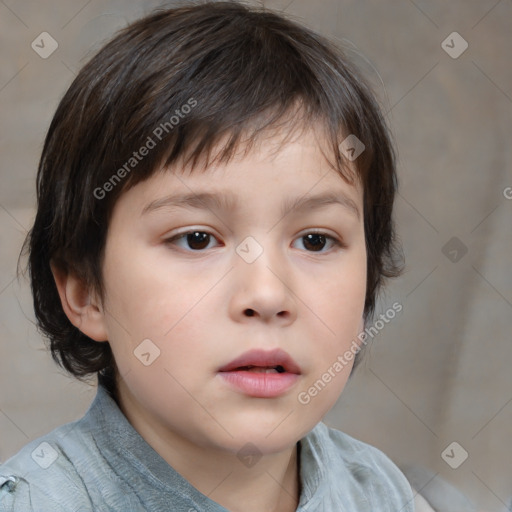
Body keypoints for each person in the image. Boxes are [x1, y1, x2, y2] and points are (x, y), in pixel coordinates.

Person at [0, 2, 412, 511]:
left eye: (315, 240)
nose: (266, 295)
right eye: (197, 239)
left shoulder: (381, 493)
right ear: (86, 290)